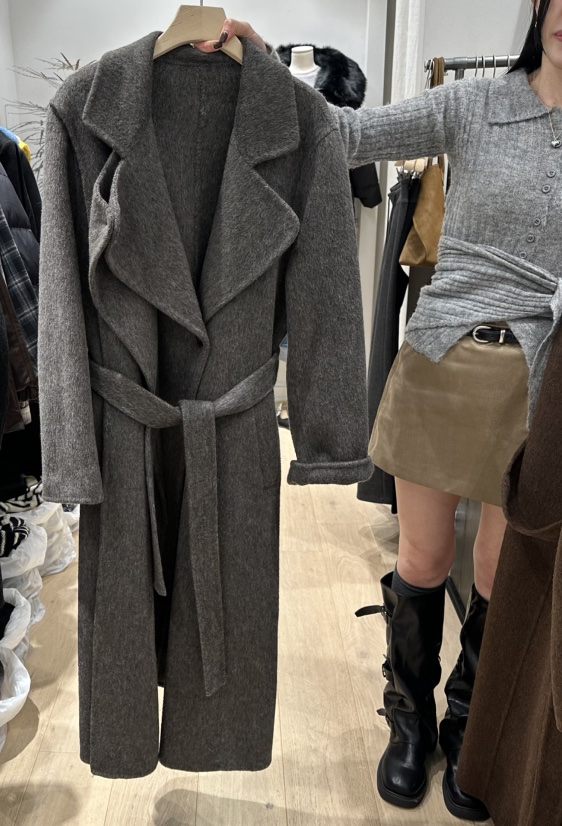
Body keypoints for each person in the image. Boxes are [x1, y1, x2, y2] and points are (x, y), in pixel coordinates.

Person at [200, 3, 561, 821]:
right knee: (426, 558)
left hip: (543, 384)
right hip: (445, 363)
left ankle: (469, 724)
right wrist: (264, 70)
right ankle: (410, 721)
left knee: (500, 573)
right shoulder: (476, 103)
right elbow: (346, 134)